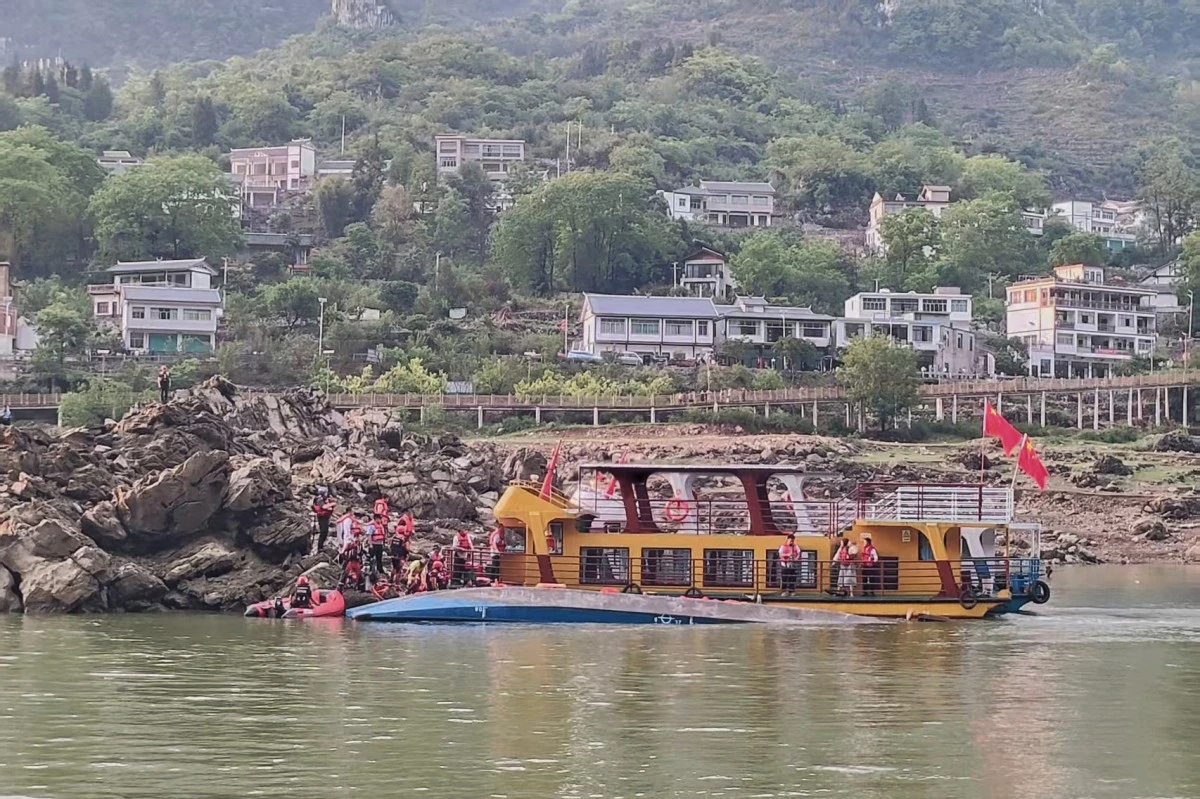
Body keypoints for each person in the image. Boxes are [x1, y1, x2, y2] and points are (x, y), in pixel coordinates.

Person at [311, 487, 336, 554]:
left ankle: (321, 546)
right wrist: (332, 504)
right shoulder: (319, 499)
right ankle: (320, 547)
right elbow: (324, 507)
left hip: (325, 517)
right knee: (323, 531)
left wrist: (330, 504)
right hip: (322, 517)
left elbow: (329, 508)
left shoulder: (325, 499)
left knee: (325, 532)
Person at [389, 515, 412, 582]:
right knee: (399, 569)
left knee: (394, 568)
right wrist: (411, 551)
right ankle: (397, 582)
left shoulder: (394, 537)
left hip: (393, 555)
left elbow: (390, 545)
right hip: (401, 556)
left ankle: (391, 579)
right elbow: (407, 548)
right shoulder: (405, 539)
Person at [860, 532, 880, 597]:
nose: (864, 543)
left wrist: (872, 561)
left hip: (870, 566)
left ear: (868, 542)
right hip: (864, 566)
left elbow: (876, 557)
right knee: (864, 579)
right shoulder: (863, 548)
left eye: (865, 542)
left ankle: (872, 592)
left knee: (871, 579)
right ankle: (865, 592)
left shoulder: (872, 549)